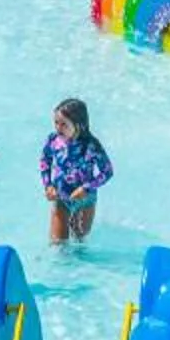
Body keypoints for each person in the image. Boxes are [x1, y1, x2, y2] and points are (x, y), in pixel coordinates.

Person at [39, 99, 113, 246]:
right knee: (58, 244)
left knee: (79, 244)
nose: (58, 128)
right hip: (62, 197)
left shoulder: (91, 146)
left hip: (85, 200)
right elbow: (45, 161)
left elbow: (107, 171)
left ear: (78, 124)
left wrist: (86, 188)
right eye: (56, 123)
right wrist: (48, 185)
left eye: (64, 124)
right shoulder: (53, 140)